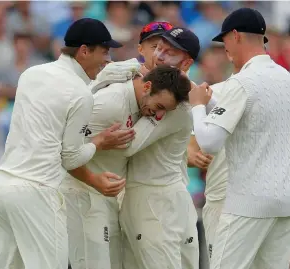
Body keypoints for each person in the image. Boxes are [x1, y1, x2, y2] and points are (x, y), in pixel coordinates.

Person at [0, 18, 133, 269]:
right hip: (37, 192)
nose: (107, 59)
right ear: (84, 51)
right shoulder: (80, 95)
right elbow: (71, 158)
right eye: (104, 52)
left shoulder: (31, 74)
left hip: (1, 188)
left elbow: (60, 95)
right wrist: (99, 141)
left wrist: (104, 77)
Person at [190, 8, 290, 269]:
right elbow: (251, 116)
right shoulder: (285, 77)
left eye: (225, 40)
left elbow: (209, 142)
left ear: (236, 35)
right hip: (286, 200)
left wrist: (198, 106)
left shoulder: (240, 83)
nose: (225, 48)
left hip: (248, 201)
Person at [61, 63, 192, 269]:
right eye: (159, 107)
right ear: (147, 87)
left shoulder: (141, 101)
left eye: (165, 111)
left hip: (106, 198)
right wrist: (98, 143)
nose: (159, 116)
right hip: (81, 194)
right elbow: (63, 149)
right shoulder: (110, 103)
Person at [119, 27, 206, 269]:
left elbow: (129, 146)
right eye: (159, 48)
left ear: (187, 62)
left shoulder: (175, 102)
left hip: (155, 202)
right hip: (163, 196)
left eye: (170, 53)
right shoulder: (168, 87)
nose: (160, 55)